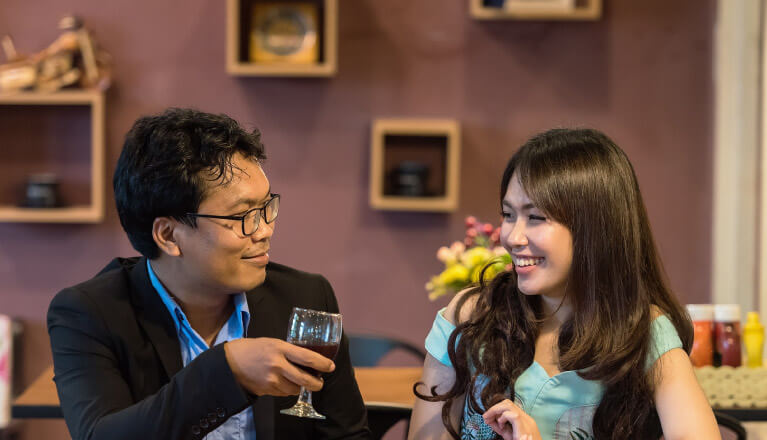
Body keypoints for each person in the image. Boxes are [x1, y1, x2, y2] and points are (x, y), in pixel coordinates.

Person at [47, 108, 372, 440]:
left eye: (266, 207)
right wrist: (227, 371)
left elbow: (347, 435)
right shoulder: (89, 313)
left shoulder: (304, 297)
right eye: (242, 215)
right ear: (169, 236)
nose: (265, 230)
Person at [408, 128, 720, 440]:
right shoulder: (469, 316)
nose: (512, 238)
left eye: (535, 218)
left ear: (594, 229)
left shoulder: (644, 332)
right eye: (508, 214)